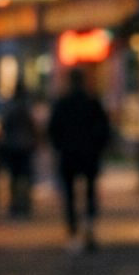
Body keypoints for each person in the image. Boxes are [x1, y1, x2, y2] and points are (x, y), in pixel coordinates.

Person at [46, 68, 111, 253]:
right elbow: (104, 128)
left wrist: (61, 146)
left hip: (69, 154)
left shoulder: (63, 103)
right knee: (89, 191)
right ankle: (88, 227)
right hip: (89, 154)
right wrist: (97, 146)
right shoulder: (91, 102)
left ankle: (73, 232)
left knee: (70, 195)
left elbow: (53, 129)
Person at [0, 81, 37, 217]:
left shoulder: (10, 107)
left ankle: (15, 206)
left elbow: (4, 125)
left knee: (14, 177)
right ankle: (24, 205)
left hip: (12, 146)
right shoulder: (26, 107)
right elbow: (32, 126)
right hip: (24, 146)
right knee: (25, 177)